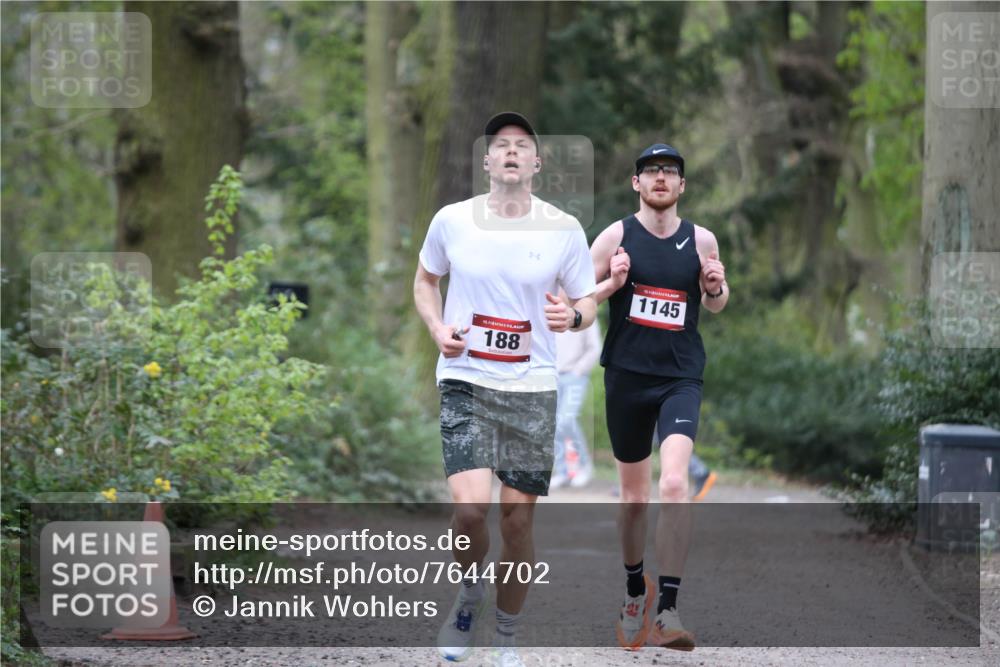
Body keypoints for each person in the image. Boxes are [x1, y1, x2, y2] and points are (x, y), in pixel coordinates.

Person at [413, 111, 597, 666]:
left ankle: (508, 636)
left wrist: (575, 318)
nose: (511, 151)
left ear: (537, 163)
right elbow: (425, 280)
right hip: (467, 379)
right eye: (500, 145)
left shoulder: (563, 228)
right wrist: (437, 328)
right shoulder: (453, 220)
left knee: (517, 521)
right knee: (470, 512)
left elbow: (587, 300)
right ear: (487, 161)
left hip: (533, 386)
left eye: (522, 145)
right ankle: (469, 596)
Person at [590, 143, 728, 651]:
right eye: (651, 171)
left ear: (682, 186)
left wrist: (715, 287)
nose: (661, 178)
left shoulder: (702, 239)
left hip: (679, 378)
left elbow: (716, 302)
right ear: (637, 183)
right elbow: (581, 291)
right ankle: (634, 592)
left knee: (673, 484)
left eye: (670, 171)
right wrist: (614, 280)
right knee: (633, 499)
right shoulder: (616, 234)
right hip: (626, 377)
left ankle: (668, 609)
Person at [551, 315, 602, 489]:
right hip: (553, 376)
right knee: (555, 424)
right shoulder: (550, 313)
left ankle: (584, 467)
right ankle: (563, 472)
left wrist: (578, 371)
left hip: (574, 376)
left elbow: (594, 348)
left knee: (566, 420)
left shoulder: (586, 315)